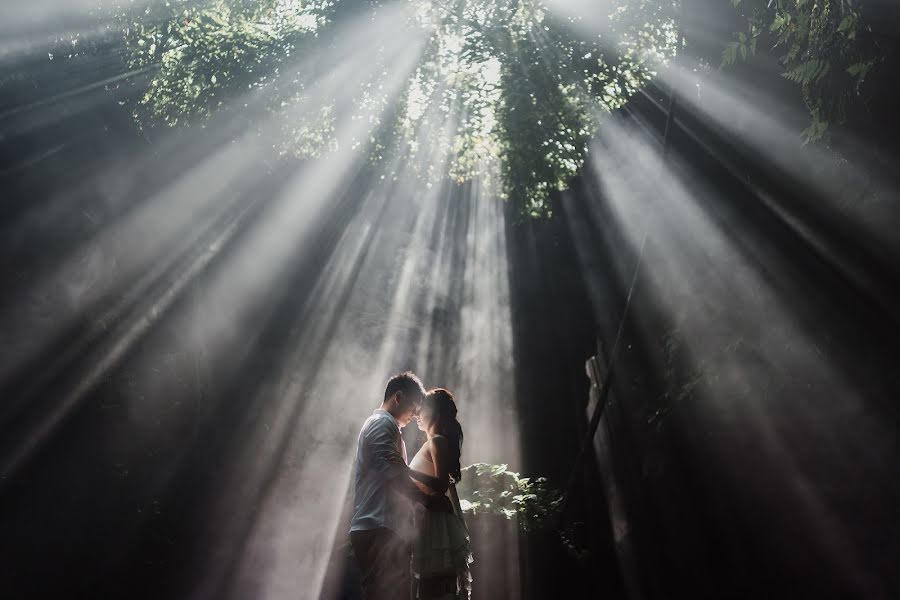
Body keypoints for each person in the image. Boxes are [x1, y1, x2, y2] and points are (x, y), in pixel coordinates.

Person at [350, 372, 453, 600]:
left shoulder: (389, 428)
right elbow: (394, 474)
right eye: (414, 407)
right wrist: (429, 501)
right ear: (398, 397)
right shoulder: (380, 424)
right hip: (378, 526)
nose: (416, 414)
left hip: (384, 527)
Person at [408, 388, 473, 600]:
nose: (417, 414)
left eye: (422, 409)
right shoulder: (433, 442)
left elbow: (441, 483)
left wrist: (406, 471)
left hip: (436, 523)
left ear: (434, 412)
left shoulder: (437, 441)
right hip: (429, 517)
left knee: (435, 588)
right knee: (431, 587)